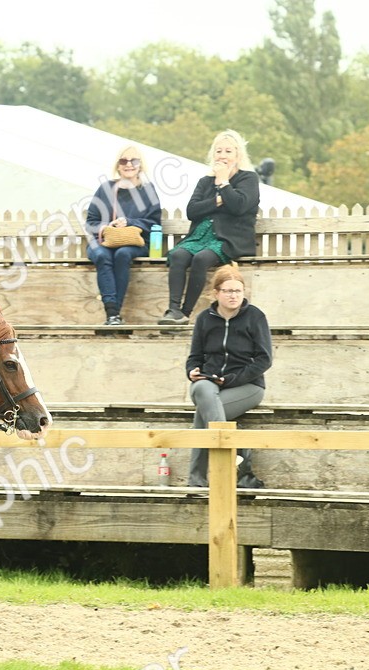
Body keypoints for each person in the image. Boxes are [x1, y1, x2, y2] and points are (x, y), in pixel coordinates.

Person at [184, 266, 271, 488]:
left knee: (204, 417)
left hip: (247, 387)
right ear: (216, 293)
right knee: (203, 390)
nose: (233, 296)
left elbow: (264, 360)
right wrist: (192, 371)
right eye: (228, 291)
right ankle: (241, 465)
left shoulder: (255, 317)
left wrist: (231, 380)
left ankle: (197, 481)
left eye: (238, 291)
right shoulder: (204, 319)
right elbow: (194, 357)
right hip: (208, 384)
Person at [160, 130, 260, 324]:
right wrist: (219, 200)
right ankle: (173, 311)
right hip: (200, 235)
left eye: (228, 151)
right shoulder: (204, 182)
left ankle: (185, 313)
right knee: (178, 255)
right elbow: (192, 210)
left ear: (238, 155)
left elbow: (239, 206)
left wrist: (223, 182)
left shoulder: (248, 179)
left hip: (228, 237)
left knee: (201, 258)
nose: (222, 155)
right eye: (218, 151)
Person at [84, 144, 162, 325]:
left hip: (135, 243)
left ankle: (113, 315)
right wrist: (108, 226)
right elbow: (91, 222)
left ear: (140, 165)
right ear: (117, 165)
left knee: (123, 254)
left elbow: (155, 223)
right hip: (103, 241)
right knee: (102, 255)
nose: (129, 164)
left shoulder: (147, 190)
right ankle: (113, 314)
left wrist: (130, 222)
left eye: (134, 160)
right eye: (123, 160)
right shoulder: (105, 189)